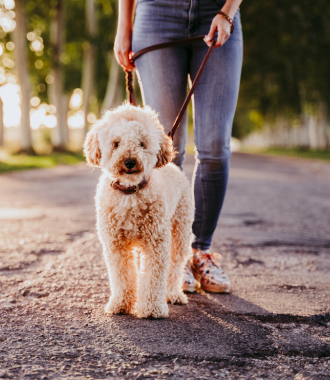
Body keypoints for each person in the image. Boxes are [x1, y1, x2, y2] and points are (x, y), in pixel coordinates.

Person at [114, 0, 243, 293]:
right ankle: (175, 256)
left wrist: (228, 11)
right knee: (167, 150)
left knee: (214, 147)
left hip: (218, 12)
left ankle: (201, 250)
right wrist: (124, 26)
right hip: (156, 14)